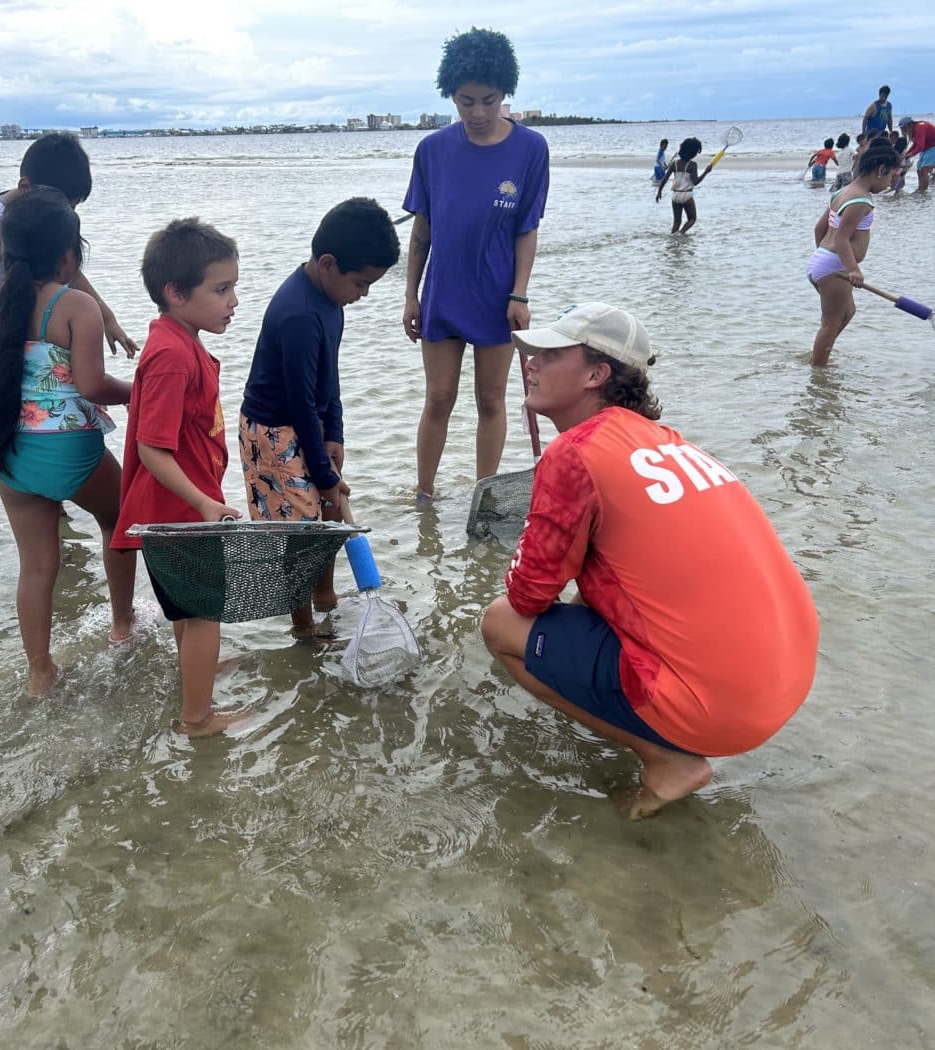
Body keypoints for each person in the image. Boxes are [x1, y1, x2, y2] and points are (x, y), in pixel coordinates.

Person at [480, 303, 818, 819]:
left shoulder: (574, 453)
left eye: (550, 354)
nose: (532, 362)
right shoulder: (671, 442)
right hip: (787, 679)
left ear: (597, 374)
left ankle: (665, 758)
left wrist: (534, 543)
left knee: (500, 625)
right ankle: (661, 725)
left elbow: (527, 596)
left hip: (725, 708)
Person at [0, 189, 134, 693]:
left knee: (38, 564)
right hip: (71, 451)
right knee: (118, 518)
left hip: (10, 454)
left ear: (6, 249)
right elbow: (92, 387)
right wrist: (141, 390)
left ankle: (40, 673)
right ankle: (121, 628)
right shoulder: (76, 306)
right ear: (69, 256)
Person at [111, 218, 248, 737]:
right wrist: (204, 503)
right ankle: (198, 718)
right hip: (180, 509)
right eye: (221, 289)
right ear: (175, 292)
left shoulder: (178, 337)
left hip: (183, 505)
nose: (232, 301)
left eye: (234, 287)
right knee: (205, 610)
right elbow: (151, 448)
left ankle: (198, 671)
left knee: (187, 610)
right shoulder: (170, 353)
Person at [401, 27, 551, 502]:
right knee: (438, 398)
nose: (479, 113)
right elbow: (421, 231)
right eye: (466, 102)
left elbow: (526, 228)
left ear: (505, 91)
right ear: (451, 95)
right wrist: (411, 294)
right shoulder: (432, 151)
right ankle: (424, 495)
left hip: (497, 296)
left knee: (491, 400)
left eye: (488, 100)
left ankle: (484, 495)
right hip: (442, 293)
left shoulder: (531, 149)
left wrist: (519, 293)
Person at [238, 198, 400, 634]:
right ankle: (304, 628)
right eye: (361, 283)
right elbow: (298, 402)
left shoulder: (332, 302)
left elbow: (329, 377)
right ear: (328, 264)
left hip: (311, 422)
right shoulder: (299, 314)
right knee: (299, 535)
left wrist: (336, 435)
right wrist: (326, 476)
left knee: (326, 515)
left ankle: (325, 596)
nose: (363, 294)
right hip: (274, 431)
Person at [0, 132, 138, 356]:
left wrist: (108, 319)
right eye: (63, 206)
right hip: (9, 352)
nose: (67, 214)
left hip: (45, 344)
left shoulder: (47, 218)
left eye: (72, 208)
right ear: (26, 187)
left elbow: (68, 272)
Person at [806, 141, 902, 366]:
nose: (890, 183)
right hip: (834, 267)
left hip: (824, 261)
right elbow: (841, 238)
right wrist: (852, 269)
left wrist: (823, 258)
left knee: (848, 312)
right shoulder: (861, 200)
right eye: (890, 177)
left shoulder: (842, 192)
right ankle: (818, 372)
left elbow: (819, 229)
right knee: (830, 323)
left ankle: (819, 356)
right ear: (881, 170)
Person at [655, 137, 714, 233]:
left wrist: (659, 192)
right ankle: (681, 234)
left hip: (675, 195)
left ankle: (674, 238)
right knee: (692, 219)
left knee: (676, 222)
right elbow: (695, 182)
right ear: (693, 153)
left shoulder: (674, 164)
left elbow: (664, 179)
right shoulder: (692, 165)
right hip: (686, 195)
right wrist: (706, 172)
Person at [899, 116, 935, 192]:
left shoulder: (920, 128)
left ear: (909, 125)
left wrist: (908, 155)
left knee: (924, 169)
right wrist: (907, 155)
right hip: (927, 147)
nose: (903, 131)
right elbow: (916, 144)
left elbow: (919, 147)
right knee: (919, 169)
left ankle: (923, 191)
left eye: (903, 128)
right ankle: (920, 188)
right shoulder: (913, 130)